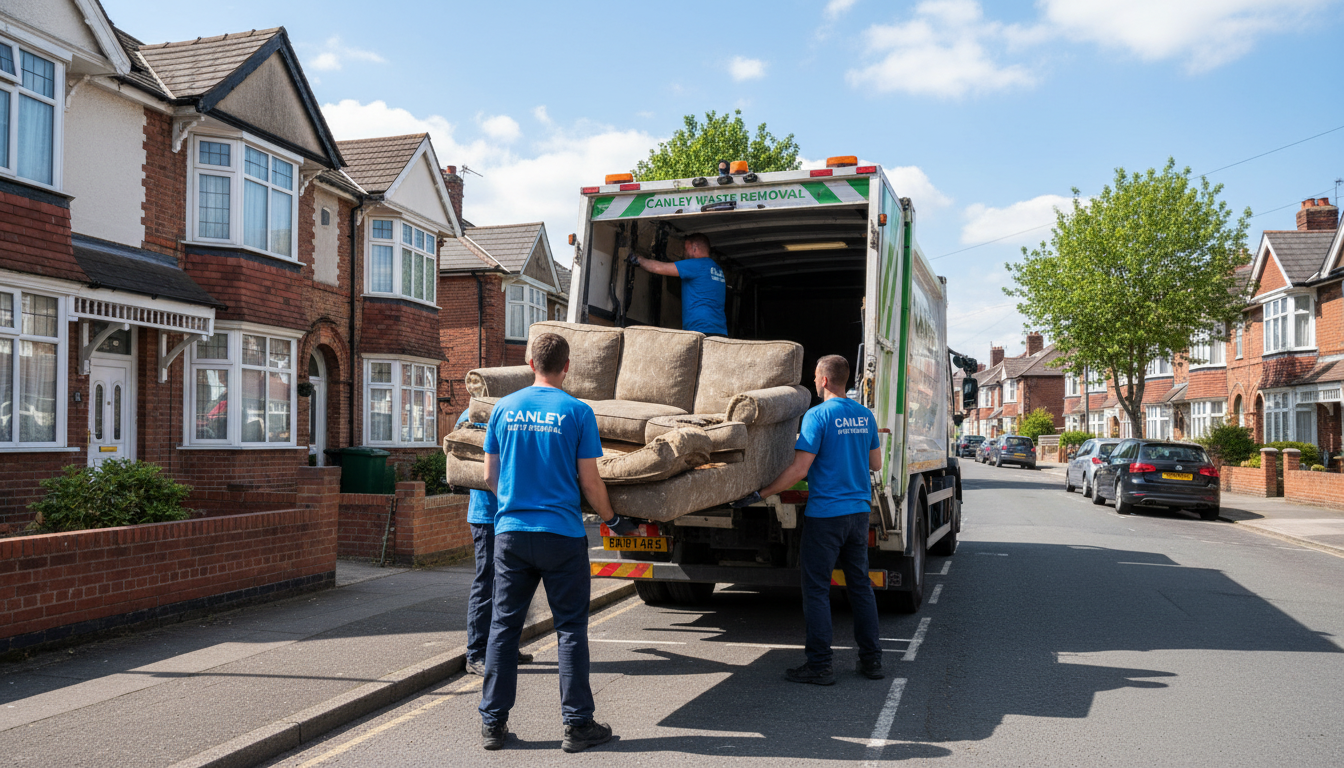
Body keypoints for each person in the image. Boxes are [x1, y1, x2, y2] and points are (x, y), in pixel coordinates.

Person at [478, 332, 639, 752]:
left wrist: (515, 504)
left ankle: (493, 724)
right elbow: (590, 480)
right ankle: (577, 725)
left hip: (511, 534)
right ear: (566, 367)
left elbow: (488, 478)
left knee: (503, 628)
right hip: (562, 536)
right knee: (570, 630)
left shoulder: (503, 409)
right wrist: (614, 520)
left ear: (530, 362)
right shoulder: (577, 412)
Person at [734, 354, 883, 686]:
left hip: (826, 516)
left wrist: (761, 492)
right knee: (860, 587)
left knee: (816, 590)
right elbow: (876, 464)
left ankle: (820, 665)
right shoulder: (865, 415)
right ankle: (872, 661)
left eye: (816, 377)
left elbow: (799, 469)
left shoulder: (817, 416)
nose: (814, 382)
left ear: (825, 380)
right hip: (858, 513)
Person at [454, 409, 532, 677]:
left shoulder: (516, 410)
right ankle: (476, 653)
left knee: (512, 584)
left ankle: (505, 647)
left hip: (511, 515)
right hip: (488, 515)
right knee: (486, 582)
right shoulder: (470, 415)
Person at [627, 233, 727, 336]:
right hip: (720, 332)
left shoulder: (696, 264)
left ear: (694, 248)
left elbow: (658, 268)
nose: (684, 253)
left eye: (685, 249)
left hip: (700, 329)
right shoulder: (718, 269)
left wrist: (637, 259)